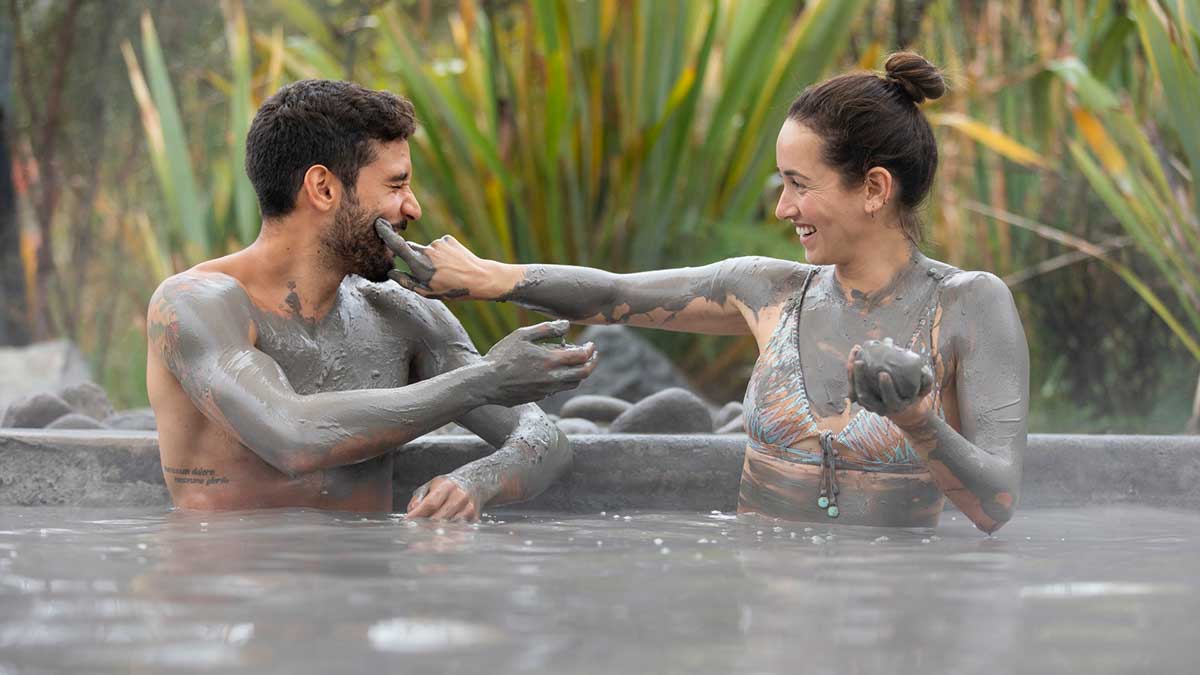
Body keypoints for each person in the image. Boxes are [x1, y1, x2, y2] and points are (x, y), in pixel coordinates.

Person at [379, 53, 1028, 533]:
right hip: (769, 621)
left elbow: (995, 505)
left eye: (799, 184)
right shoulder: (768, 290)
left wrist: (918, 421)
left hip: (896, 622)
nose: (782, 207)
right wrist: (489, 277)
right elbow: (612, 294)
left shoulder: (968, 305)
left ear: (875, 188)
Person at [146, 80, 597, 520]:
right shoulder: (196, 304)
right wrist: (486, 379)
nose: (413, 208)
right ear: (323, 188)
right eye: (396, 185)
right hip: (234, 587)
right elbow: (294, 437)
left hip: (373, 588)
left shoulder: (400, 312)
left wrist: (479, 481)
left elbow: (545, 438)